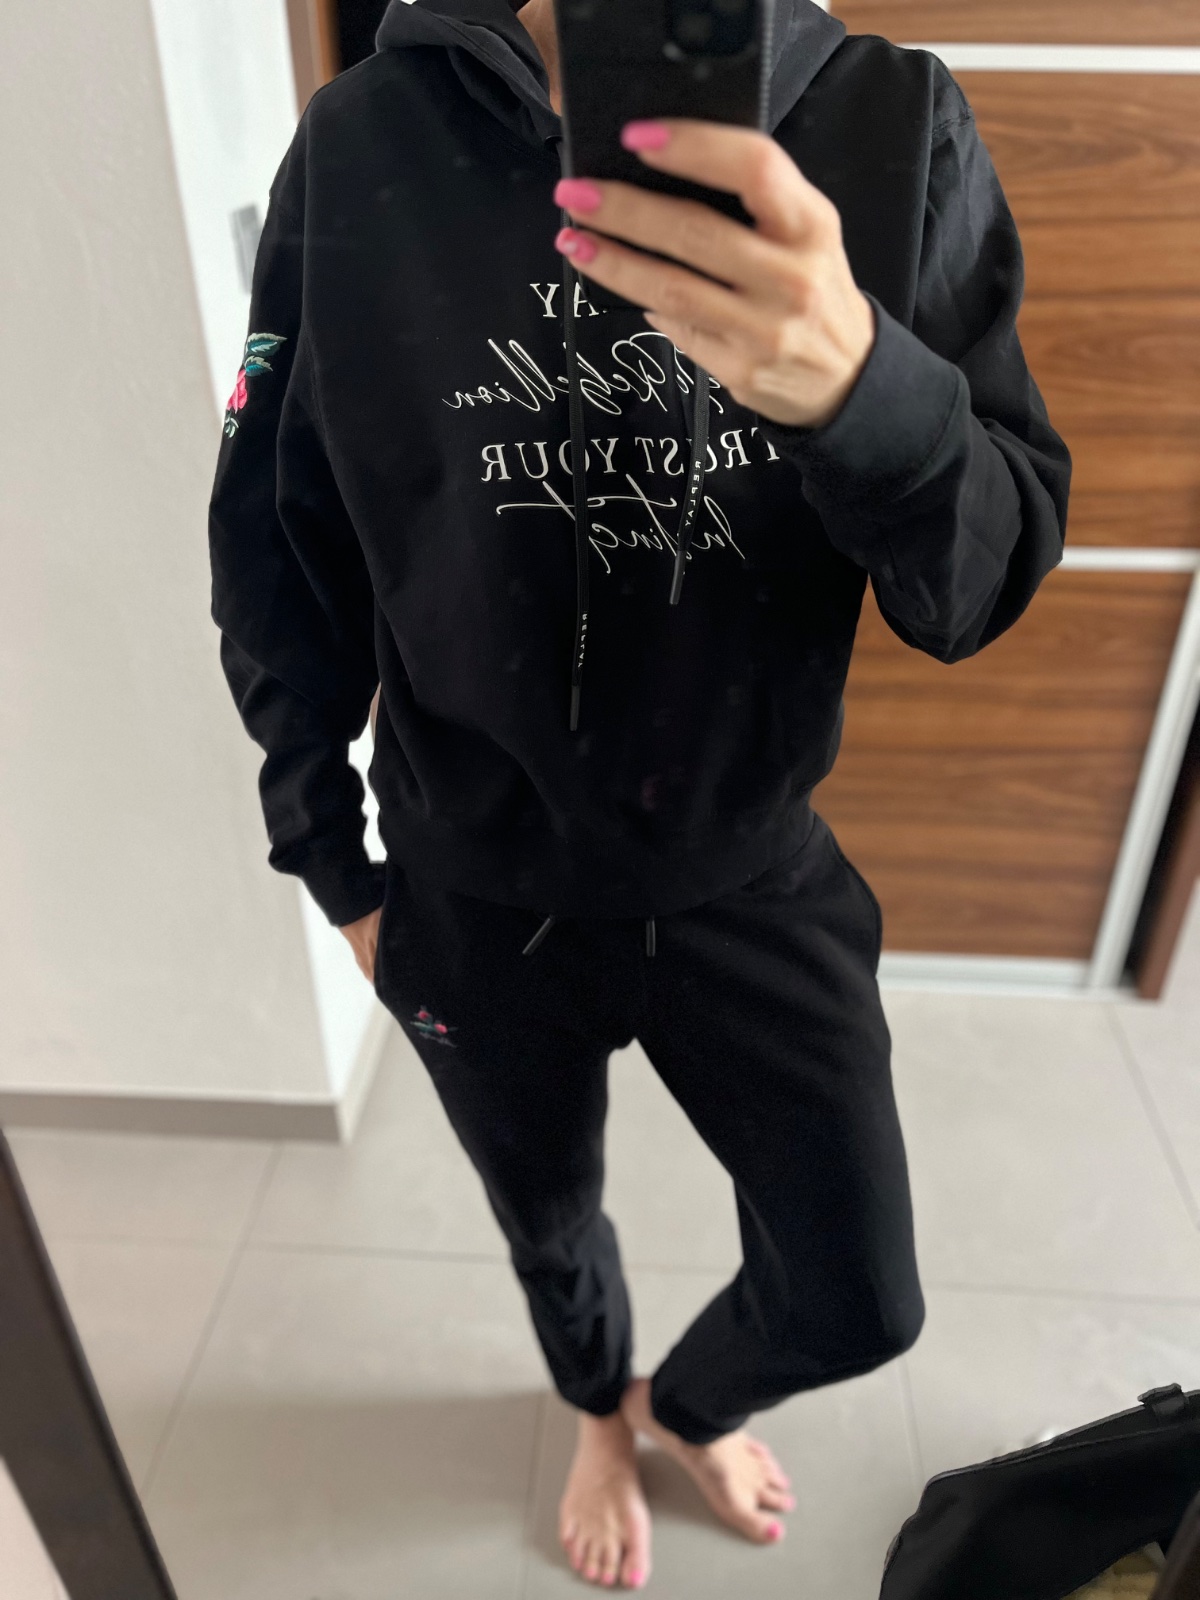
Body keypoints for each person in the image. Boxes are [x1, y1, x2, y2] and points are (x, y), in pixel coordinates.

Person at [208, 0, 1071, 1588]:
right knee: (548, 1222)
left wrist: (864, 387)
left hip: (748, 872)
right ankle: (595, 1408)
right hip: (468, 889)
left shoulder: (891, 125)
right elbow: (278, 527)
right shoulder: (363, 137)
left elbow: (983, 580)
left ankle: (681, 1406)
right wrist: (330, 861)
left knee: (858, 1295)